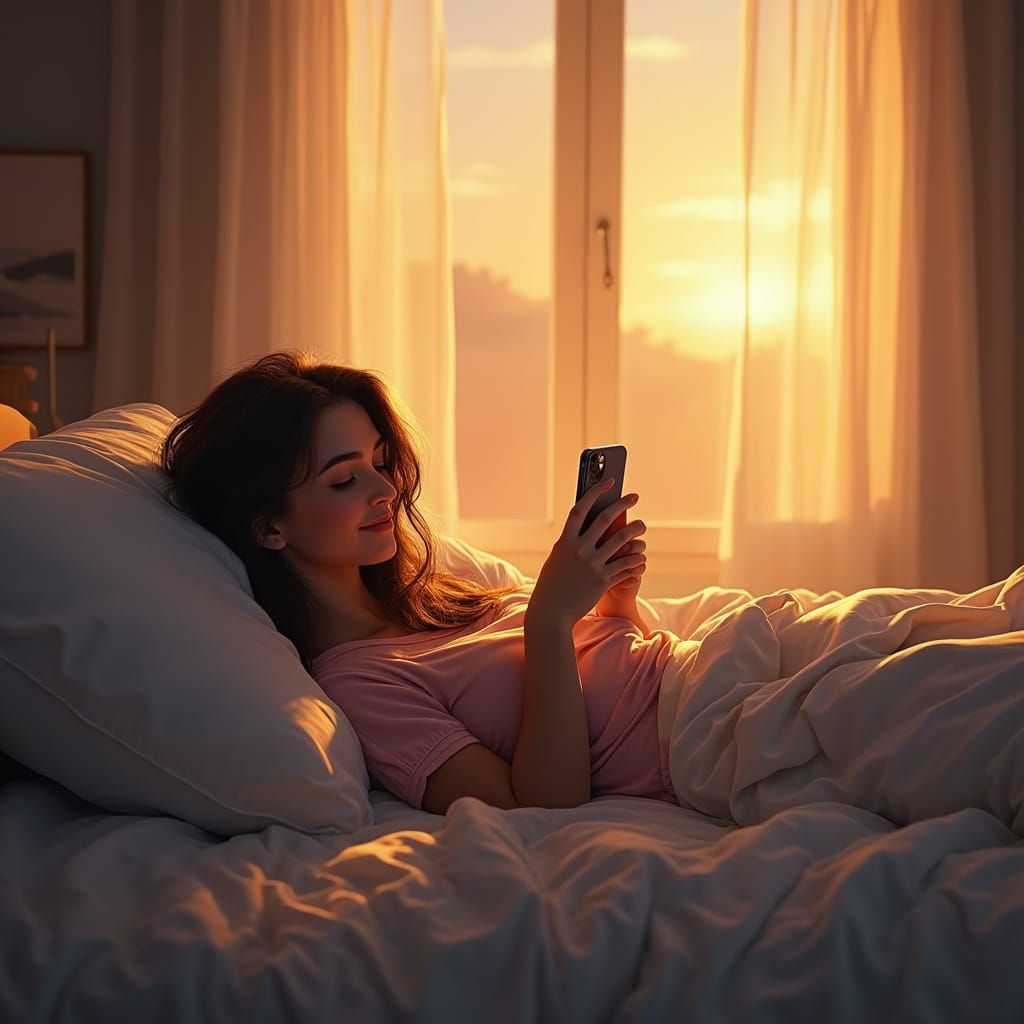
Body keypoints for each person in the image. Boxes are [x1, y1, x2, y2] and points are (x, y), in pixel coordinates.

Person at [162, 351, 679, 815]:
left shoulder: (440, 598)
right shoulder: (359, 683)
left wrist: (616, 606)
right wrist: (548, 619)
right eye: (344, 480)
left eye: (380, 462)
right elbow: (544, 805)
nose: (386, 489)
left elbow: (622, 681)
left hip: (692, 669)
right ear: (268, 527)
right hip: (691, 731)